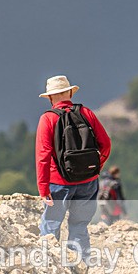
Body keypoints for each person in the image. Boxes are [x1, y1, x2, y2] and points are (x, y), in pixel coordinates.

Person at [35, 75, 111, 261]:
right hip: (88, 182)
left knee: (51, 224)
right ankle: (79, 267)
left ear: (50, 97)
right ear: (70, 93)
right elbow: (106, 144)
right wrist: (95, 169)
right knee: (79, 225)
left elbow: (43, 156)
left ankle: (49, 265)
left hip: (58, 183)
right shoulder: (86, 113)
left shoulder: (48, 119)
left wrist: (43, 188)